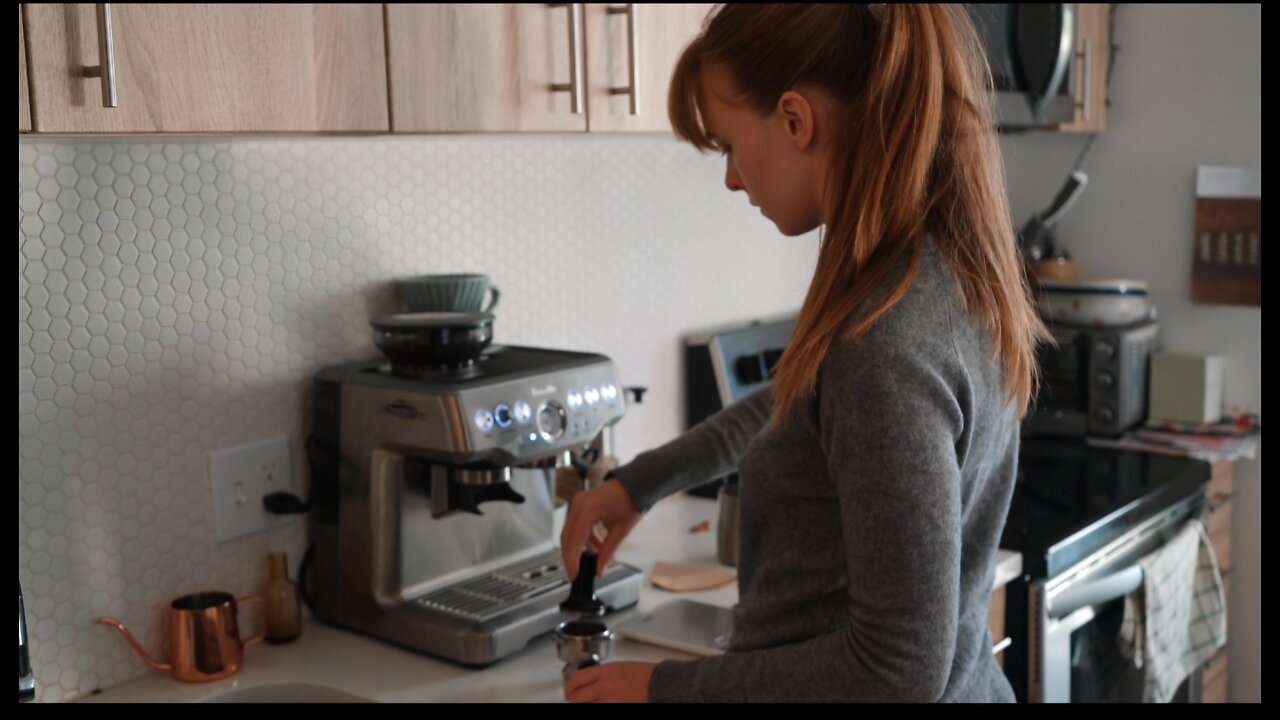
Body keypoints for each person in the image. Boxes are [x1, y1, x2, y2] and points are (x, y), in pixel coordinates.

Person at [561, 3, 1047, 703]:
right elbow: (799, 402)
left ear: (795, 119)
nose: (731, 177)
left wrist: (663, 689)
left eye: (728, 144)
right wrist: (641, 482)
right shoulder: (932, 271)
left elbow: (895, 670)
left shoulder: (885, 338)